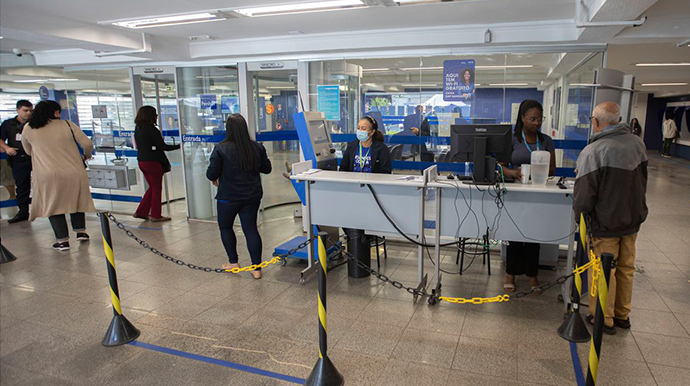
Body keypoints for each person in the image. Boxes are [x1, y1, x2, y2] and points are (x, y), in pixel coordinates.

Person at [574, 102, 648, 335]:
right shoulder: (638, 144)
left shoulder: (594, 151)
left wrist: (580, 220)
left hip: (604, 222)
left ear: (595, 122)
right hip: (632, 218)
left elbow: (585, 194)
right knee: (626, 268)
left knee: (603, 270)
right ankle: (622, 315)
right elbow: (643, 180)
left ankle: (602, 318)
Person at [21, 100, 96, 251]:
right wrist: (86, 156)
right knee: (76, 199)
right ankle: (81, 231)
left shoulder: (29, 128)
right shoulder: (67, 125)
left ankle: (62, 241)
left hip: (47, 173)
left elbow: (28, 150)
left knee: (53, 204)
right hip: (74, 171)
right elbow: (87, 144)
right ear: (55, 112)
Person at [207, 114, 272, 280]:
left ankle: (233, 262)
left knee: (226, 227)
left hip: (228, 196)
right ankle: (257, 268)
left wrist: (218, 175)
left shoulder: (221, 148)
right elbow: (267, 169)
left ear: (228, 129)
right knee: (250, 229)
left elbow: (211, 173)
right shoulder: (257, 147)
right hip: (251, 195)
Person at [501, 100, 556, 293]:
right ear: (523, 118)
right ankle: (510, 274)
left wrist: (538, 171)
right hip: (516, 192)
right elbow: (500, 165)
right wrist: (513, 173)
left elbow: (553, 168)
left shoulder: (546, 140)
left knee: (534, 235)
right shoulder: (513, 139)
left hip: (538, 192)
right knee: (514, 235)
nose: (537, 123)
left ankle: (533, 276)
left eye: (540, 119)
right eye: (533, 119)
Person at [133, 106, 180, 222]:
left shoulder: (138, 129)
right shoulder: (152, 129)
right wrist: (179, 146)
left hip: (142, 161)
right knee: (156, 189)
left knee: (152, 188)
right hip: (153, 163)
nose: (157, 117)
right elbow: (163, 147)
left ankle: (141, 212)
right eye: (155, 114)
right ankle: (156, 215)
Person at [0, 100, 34, 223]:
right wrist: (7, 148)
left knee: (44, 184)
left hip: (36, 157)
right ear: (18, 110)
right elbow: (1, 139)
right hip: (19, 158)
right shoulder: (8, 124)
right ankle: (23, 212)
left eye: (31, 110)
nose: (28, 113)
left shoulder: (34, 123)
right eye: (25, 110)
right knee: (22, 186)